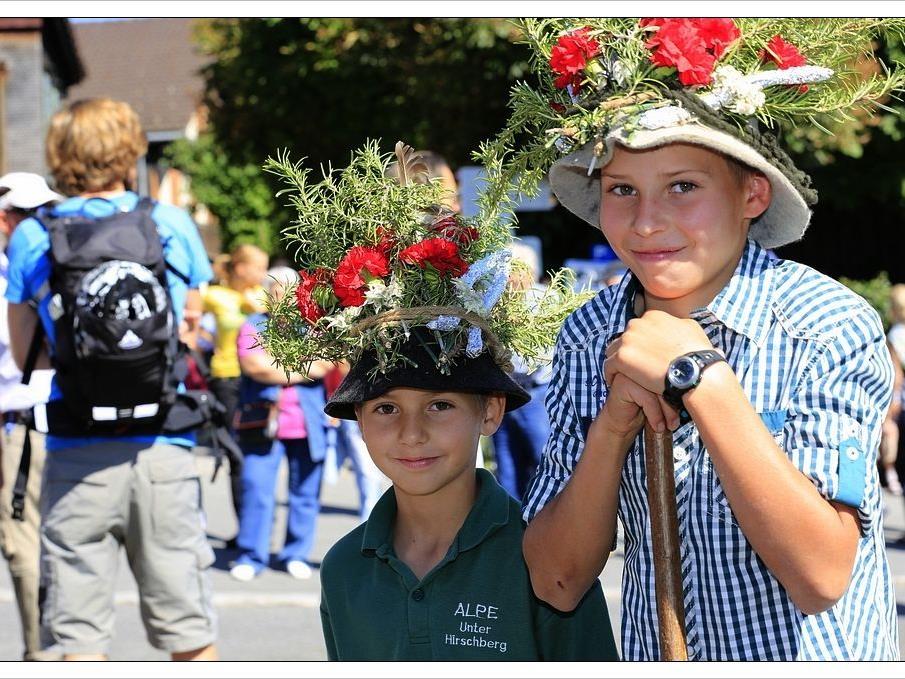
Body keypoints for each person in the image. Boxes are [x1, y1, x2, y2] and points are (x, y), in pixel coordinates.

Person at [488, 19, 902, 660]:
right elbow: (557, 579)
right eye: (622, 190)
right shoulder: (588, 334)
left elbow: (821, 576)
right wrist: (611, 428)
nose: (648, 221)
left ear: (752, 193)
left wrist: (700, 377)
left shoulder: (825, 323)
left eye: (684, 186)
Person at [261, 140, 617, 660]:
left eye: (441, 404)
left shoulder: (544, 559)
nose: (412, 432)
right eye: (385, 407)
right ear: (357, 417)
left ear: (491, 409)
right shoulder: (342, 568)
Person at [4, 98, 217, 660]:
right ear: (130, 148)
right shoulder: (167, 222)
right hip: (162, 443)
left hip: (76, 447)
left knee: (80, 638)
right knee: (189, 631)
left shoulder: (33, 235)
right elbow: (190, 330)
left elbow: (27, 352)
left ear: (59, 154)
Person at [229, 267, 332, 581]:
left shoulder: (314, 327)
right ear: (268, 292)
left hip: (308, 421)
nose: (285, 296)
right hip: (263, 422)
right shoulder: (252, 326)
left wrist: (278, 364)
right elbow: (254, 367)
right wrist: (300, 367)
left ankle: (296, 553)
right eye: (278, 289)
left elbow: (326, 362)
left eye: (292, 289)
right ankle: (251, 555)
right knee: (257, 489)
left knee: (305, 492)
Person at [0, 172, 61, 660]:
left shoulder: (17, 271)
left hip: (21, 428)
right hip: (46, 421)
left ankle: (42, 655)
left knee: (26, 545)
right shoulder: (56, 262)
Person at [202, 243, 269, 546]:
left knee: (258, 454)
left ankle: (254, 528)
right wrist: (205, 342)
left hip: (255, 378)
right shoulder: (215, 296)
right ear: (240, 268)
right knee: (237, 455)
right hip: (227, 379)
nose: (262, 273)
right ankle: (244, 527)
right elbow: (189, 321)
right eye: (257, 267)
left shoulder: (262, 296)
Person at [490, 241, 552, 500]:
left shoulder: (545, 299)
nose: (509, 276)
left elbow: (549, 351)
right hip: (503, 394)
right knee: (506, 466)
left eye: (514, 270)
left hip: (535, 394)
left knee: (544, 460)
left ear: (529, 271)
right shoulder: (495, 301)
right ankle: (513, 528)